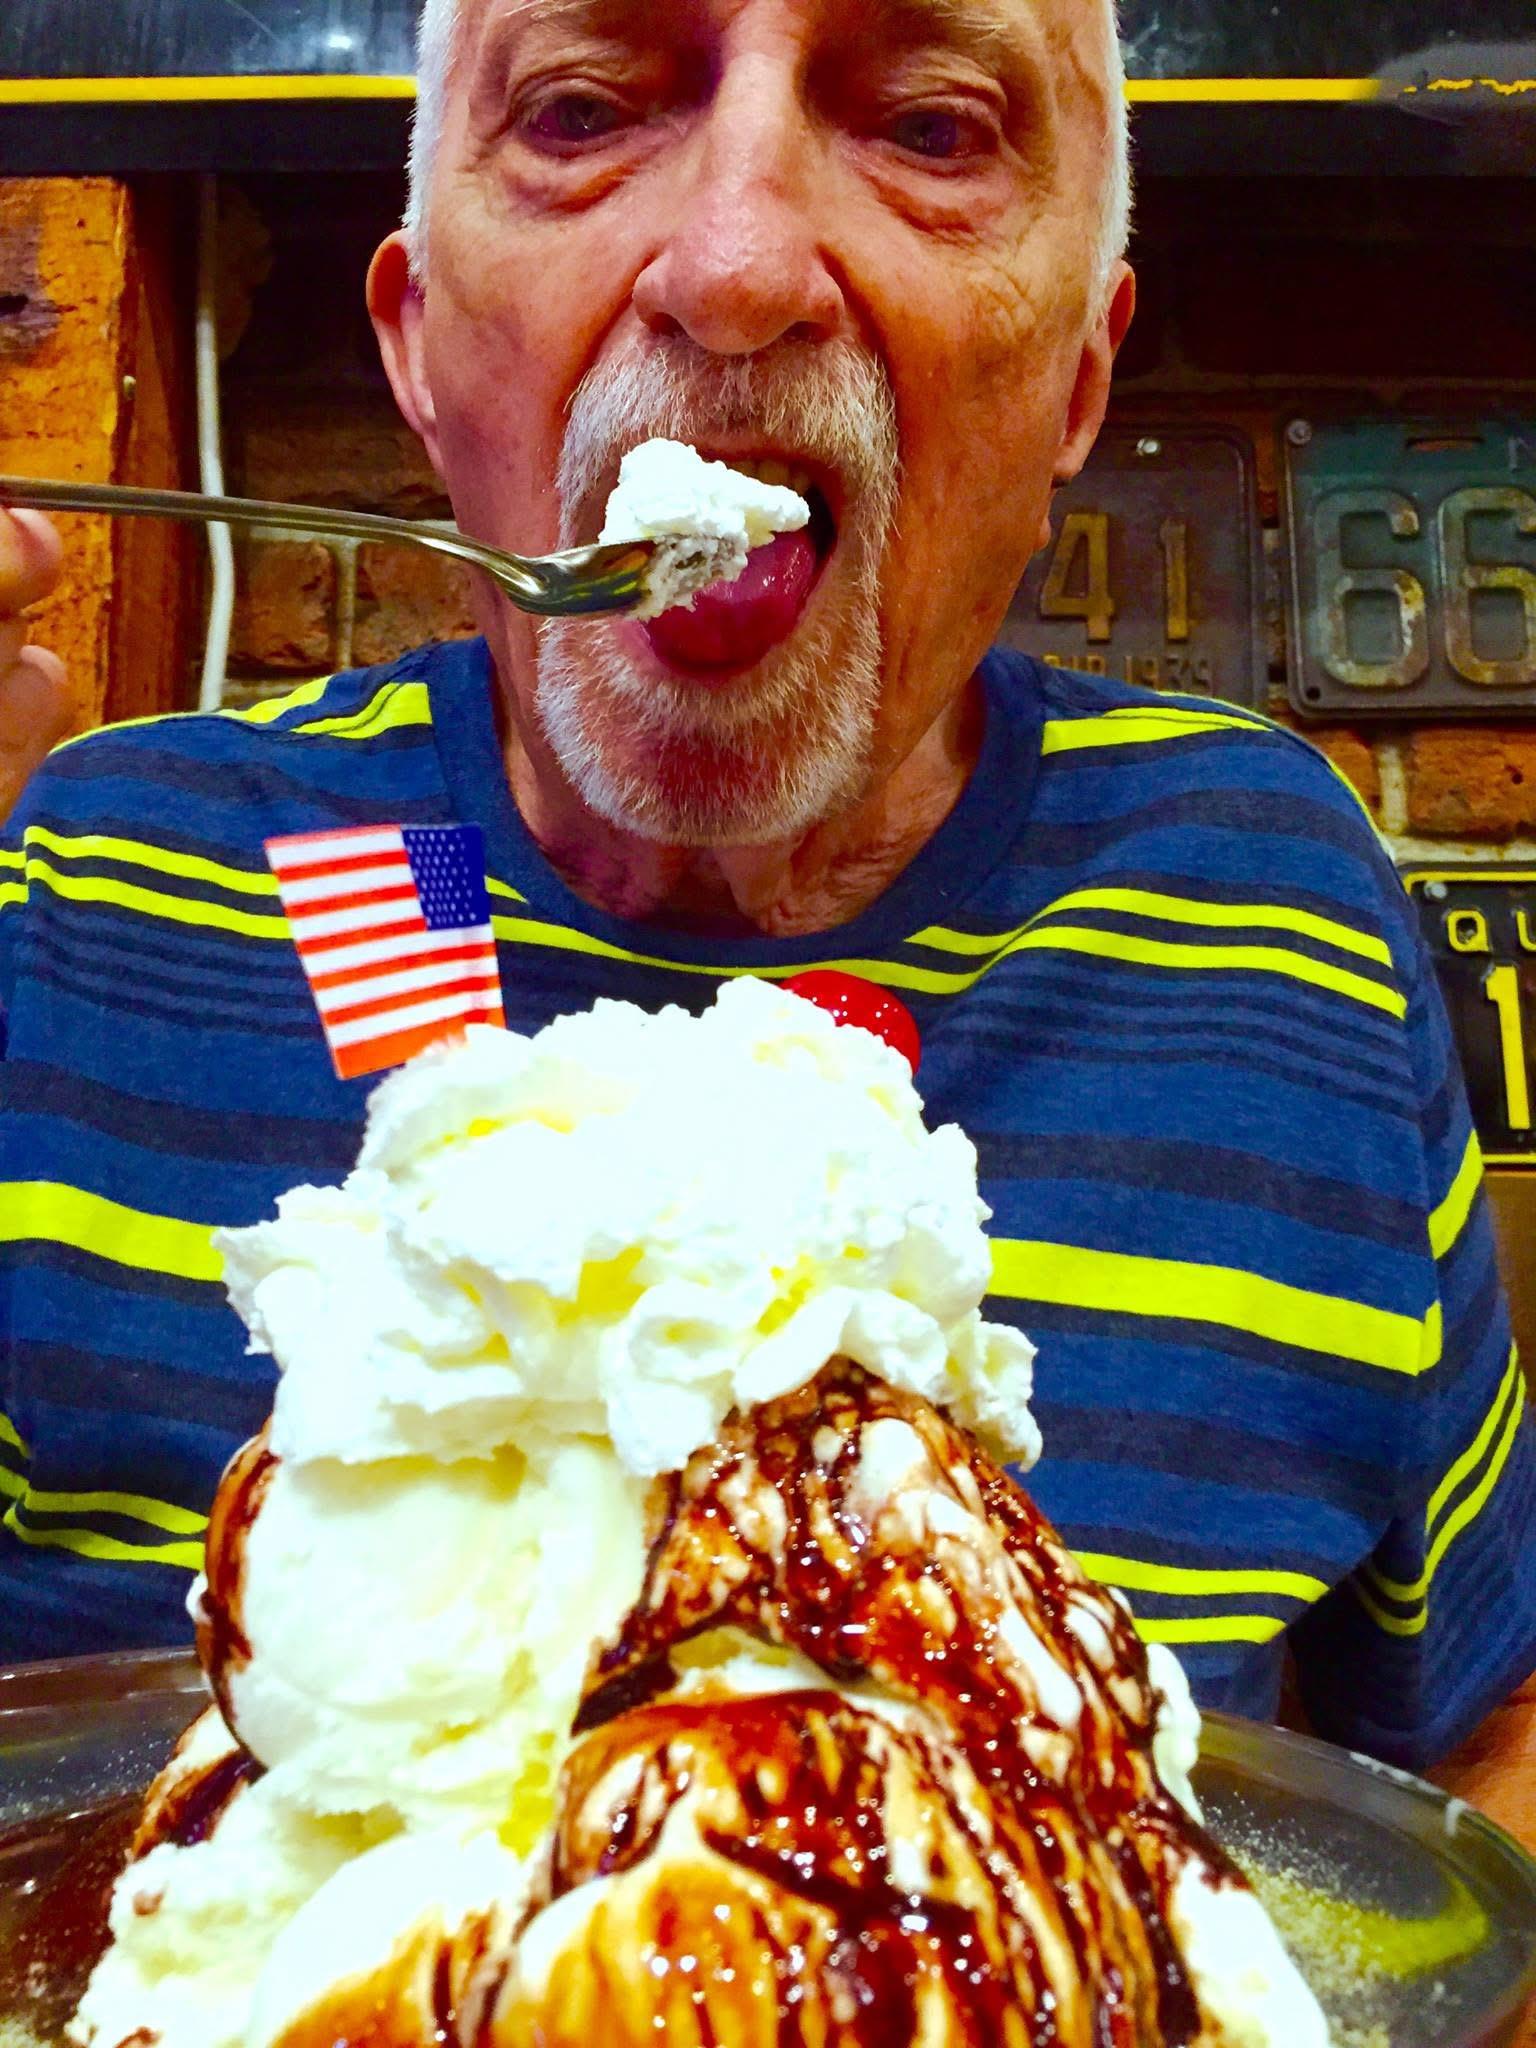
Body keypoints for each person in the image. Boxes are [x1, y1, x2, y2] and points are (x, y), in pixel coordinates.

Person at [1, 0, 1533, 1816]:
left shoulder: (1274, 916)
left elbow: (1469, 1755)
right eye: (580, 110)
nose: (733, 271)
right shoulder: (99, 892)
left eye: (936, 131)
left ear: (1078, 385)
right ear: (415, 346)